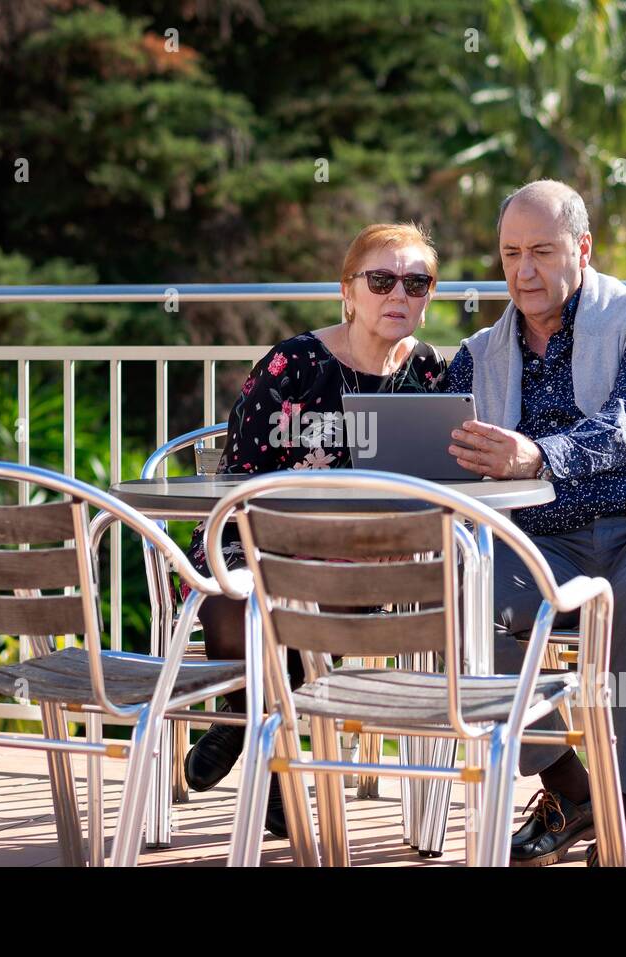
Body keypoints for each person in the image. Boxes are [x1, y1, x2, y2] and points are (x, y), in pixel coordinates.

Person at [438, 179, 626, 866]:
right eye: (510, 253)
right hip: (544, 538)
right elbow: (434, 441)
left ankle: (624, 811)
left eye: (542, 250)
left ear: (584, 249)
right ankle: (569, 784)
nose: (523, 271)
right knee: (463, 592)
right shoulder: (480, 353)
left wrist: (537, 453)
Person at [182, 222, 447, 836]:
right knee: (237, 596)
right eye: (380, 279)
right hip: (260, 538)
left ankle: (242, 716)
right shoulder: (292, 364)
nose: (397, 294)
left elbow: (443, 485)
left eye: (416, 282)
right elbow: (239, 481)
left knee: (307, 603)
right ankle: (277, 764)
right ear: (347, 292)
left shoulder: (434, 374)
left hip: (370, 559)